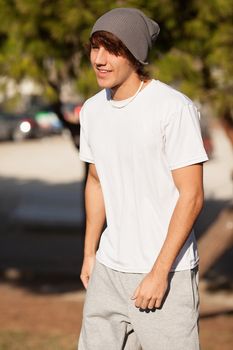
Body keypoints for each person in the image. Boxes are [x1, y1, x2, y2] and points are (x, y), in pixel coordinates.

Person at [78, 7, 208, 350]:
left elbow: (192, 196)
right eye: (95, 47)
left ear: (135, 55)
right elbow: (96, 180)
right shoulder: (92, 110)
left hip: (164, 274)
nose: (100, 60)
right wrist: (90, 252)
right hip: (108, 270)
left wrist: (159, 272)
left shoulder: (173, 109)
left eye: (112, 49)